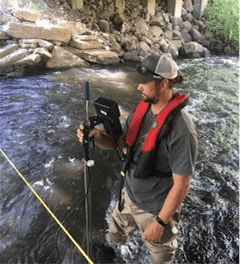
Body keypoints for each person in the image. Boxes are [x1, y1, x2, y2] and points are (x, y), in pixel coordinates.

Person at [77, 54, 198, 264]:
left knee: (161, 257)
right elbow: (120, 142)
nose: (138, 87)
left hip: (155, 209)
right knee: (114, 236)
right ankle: (113, 253)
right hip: (128, 197)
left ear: (163, 84)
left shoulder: (182, 131)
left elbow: (182, 184)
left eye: (143, 82)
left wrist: (160, 222)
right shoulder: (142, 110)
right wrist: (97, 136)